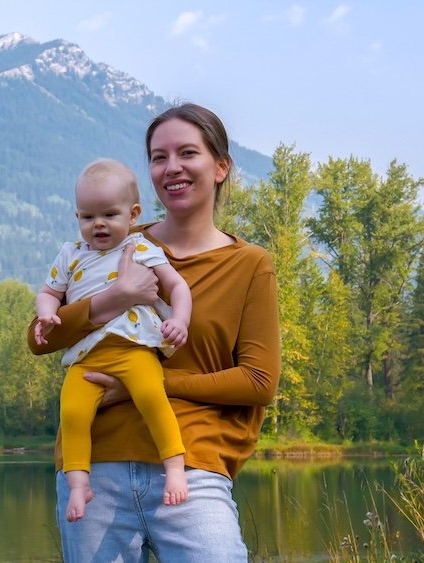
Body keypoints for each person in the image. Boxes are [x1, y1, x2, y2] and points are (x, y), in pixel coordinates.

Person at [27, 103, 280, 562]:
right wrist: (114, 298)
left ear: (221, 167)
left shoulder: (249, 265)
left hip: (192, 467)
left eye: (188, 153)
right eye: (159, 157)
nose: (172, 168)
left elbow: (259, 383)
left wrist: (142, 385)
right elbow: (39, 339)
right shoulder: (110, 242)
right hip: (94, 470)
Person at [35, 158, 194, 523]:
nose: (99, 224)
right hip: (85, 357)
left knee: (153, 397)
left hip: (133, 348)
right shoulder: (70, 255)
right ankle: (78, 482)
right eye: (88, 217)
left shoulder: (139, 249)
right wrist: (47, 311)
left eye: (109, 214)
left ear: (133, 213)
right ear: (77, 217)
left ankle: (173, 466)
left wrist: (181, 320)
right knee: (73, 413)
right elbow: (47, 291)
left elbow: (177, 287)